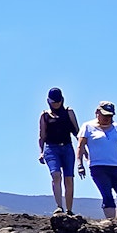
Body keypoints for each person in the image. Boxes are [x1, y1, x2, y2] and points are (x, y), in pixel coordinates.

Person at [76, 101, 117, 219]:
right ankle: (111, 222)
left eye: (110, 116)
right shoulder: (87, 127)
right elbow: (80, 146)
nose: (107, 118)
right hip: (98, 166)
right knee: (107, 195)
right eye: (104, 115)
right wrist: (80, 164)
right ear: (97, 112)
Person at [38, 87, 80, 215]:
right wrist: (41, 151)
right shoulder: (45, 115)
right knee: (56, 175)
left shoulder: (68, 112)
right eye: (53, 102)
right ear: (48, 102)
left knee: (69, 178)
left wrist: (83, 149)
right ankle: (59, 206)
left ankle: (69, 210)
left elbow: (76, 131)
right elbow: (42, 135)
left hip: (67, 147)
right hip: (51, 148)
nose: (56, 104)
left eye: (58, 101)